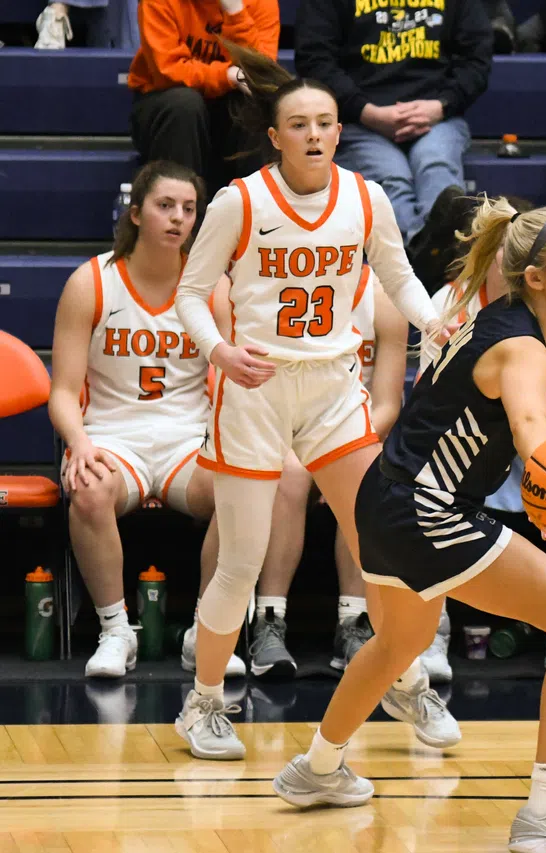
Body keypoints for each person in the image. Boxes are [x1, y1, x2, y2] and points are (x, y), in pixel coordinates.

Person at [271, 197, 546, 853]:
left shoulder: (488, 320)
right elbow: (534, 440)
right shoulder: (526, 350)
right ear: (535, 277)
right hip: (428, 510)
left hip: (381, 499)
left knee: (396, 643)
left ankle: (317, 769)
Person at [170, 42, 444, 761]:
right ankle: (201, 703)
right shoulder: (241, 200)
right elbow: (192, 294)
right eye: (300, 124)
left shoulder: (366, 197)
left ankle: (405, 677)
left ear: (339, 131)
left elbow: (400, 277)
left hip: (332, 387)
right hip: (254, 387)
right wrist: (220, 350)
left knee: (375, 544)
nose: (316, 133)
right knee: (242, 558)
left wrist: (433, 320)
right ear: (275, 135)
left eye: (326, 122)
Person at [47, 161, 246, 680]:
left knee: (243, 488)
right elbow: (64, 393)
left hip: (188, 440)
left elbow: (231, 379)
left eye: (188, 209)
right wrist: (78, 442)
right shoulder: (90, 283)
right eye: (165, 206)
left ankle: (208, 630)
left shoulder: (213, 289)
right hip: (113, 439)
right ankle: (116, 631)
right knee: (89, 489)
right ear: (136, 213)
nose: (178, 218)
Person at [430, 196, 546, 671]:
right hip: (458, 451)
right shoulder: (452, 306)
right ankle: (432, 630)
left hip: (530, 439)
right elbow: (433, 415)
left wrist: (526, 451)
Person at [224, 264, 408, 679]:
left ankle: (355, 622)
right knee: (289, 472)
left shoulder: (382, 298)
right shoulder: (271, 285)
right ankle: (268, 620)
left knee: (366, 473)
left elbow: (387, 405)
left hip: (350, 428)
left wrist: (342, 451)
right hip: (276, 430)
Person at [295, 0, 494, 241]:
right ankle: (438, 261)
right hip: (359, 122)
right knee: (391, 177)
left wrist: (442, 105)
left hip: (436, 118)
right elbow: (314, 60)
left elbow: (476, 60)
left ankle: (433, 258)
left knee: (436, 165)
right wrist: (365, 111)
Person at [127, 0, 279, 192]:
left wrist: (235, 13)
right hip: (165, 104)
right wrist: (226, 76)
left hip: (230, 108)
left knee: (256, 105)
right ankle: (180, 214)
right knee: (184, 105)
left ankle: (252, 211)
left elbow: (260, 73)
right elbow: (167, 71)